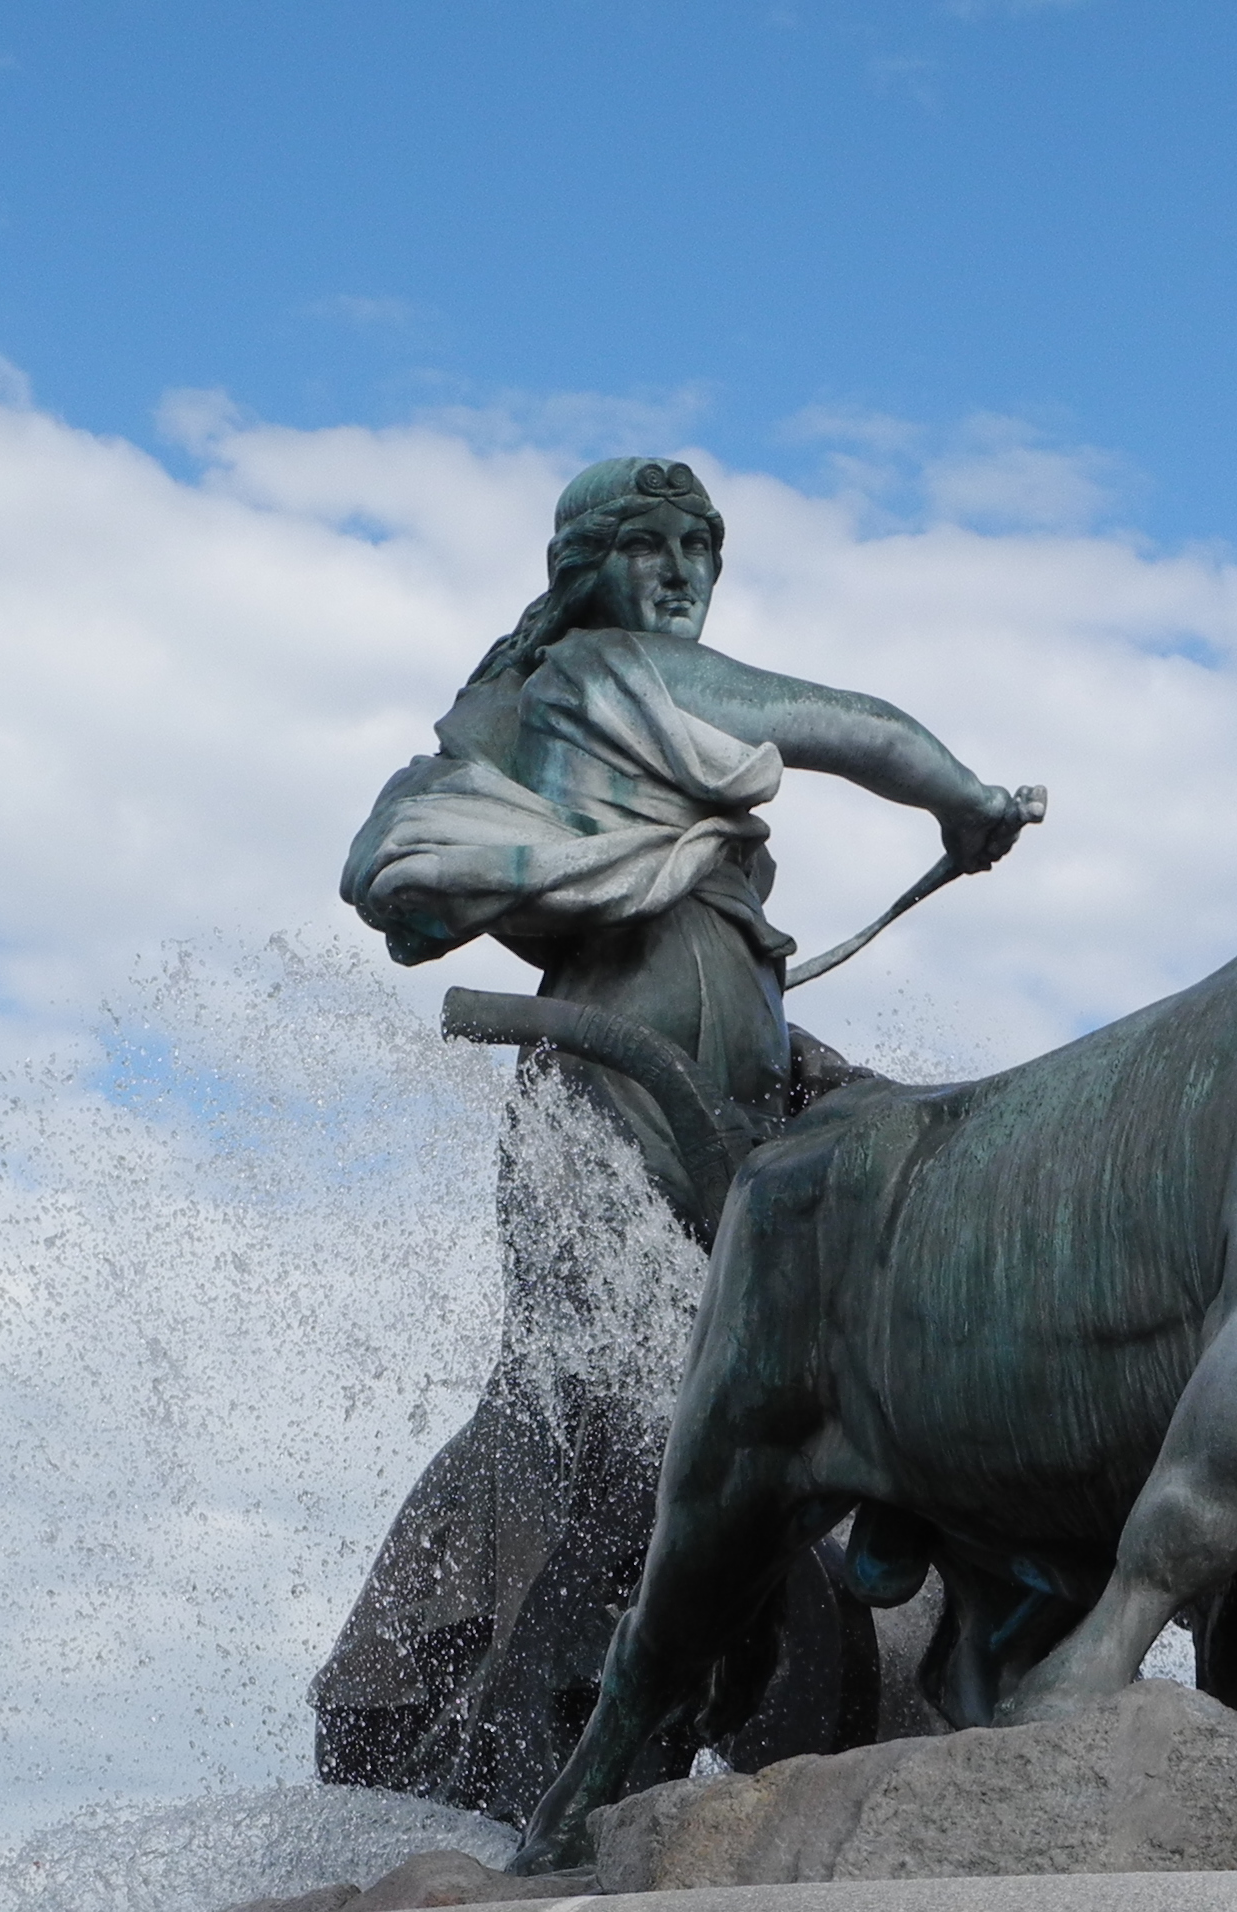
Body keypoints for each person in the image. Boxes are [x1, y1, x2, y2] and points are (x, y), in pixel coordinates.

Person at [312, 457, 1034, 1815]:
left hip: (711, 1101)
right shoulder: (614, 676)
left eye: (700, 552)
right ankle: (595, 1669)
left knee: (677, 1366)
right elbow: (848, 724)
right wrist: (965, 801)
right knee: (632, 1397)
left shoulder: (558, 709)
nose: (683, 575)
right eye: (652, 548)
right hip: (625, 1095)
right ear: (590, 570)